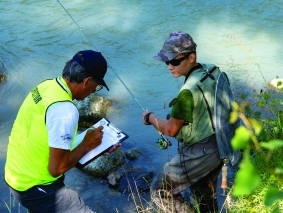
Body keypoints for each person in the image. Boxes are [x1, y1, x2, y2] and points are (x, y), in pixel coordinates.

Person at [4, 50, 120, 213]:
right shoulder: (65, 110)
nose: (94, 91)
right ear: (87, 81)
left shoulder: (45, 86)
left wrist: (94, 145)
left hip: (15, 175)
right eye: (97, 86)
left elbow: (51, 137)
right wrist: (87, 144)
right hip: (34, 187)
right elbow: (56, 169)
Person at [142, 31, 236, 213]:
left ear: (191, 57)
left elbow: (170, 130)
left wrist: (150, 118)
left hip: (198, 153)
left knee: (159, 189)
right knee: (205, 196)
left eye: (175, 61)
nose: (170, 66)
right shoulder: (212, 70)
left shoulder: (186, 93)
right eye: (166, 61)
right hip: (220, 144)